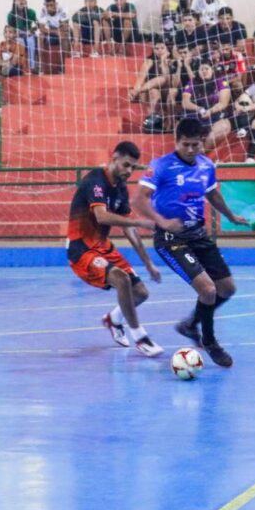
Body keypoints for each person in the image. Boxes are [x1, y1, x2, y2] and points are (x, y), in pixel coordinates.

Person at [131, 118, 249, 367]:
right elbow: (139, 200)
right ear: (177, 141)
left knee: (227, 289)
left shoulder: (206, 165)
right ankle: (210, 341)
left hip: (198, 234)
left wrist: (230, 216)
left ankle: (189, 324)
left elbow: (212, 193)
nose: (191, 150)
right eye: (186, 145)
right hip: (171, 238)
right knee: (207, 290)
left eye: (196, 145)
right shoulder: (161, 166)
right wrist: (162, 222)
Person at [67, 141, 163, 357]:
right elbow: (101, 216)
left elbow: (129, 231)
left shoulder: (119, 189)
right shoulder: (95, 181)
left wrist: (148, 263)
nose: (129, 171)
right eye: (126, 165)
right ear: (114, 158)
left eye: (133, 168)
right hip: (81, 249)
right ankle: (140, 337)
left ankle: (114, 319)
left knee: (141, 293)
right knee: (121, 279)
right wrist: (139, 222)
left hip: (102, 247)